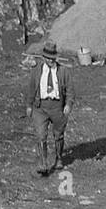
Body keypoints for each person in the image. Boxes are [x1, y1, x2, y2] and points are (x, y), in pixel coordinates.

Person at [25, 40, 73, 176]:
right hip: (40, 108)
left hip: (58, 107)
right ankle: (43, 163)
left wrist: (68, 104)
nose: (51, 61)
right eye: (48, 58)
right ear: (43, 58)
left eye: (53, 58)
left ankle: (58, 158)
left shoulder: (63, 71)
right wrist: (29, 106)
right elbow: (31, 89)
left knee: (58, 135)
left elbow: (70, 91)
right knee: (41, 136)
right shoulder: (36, 71)